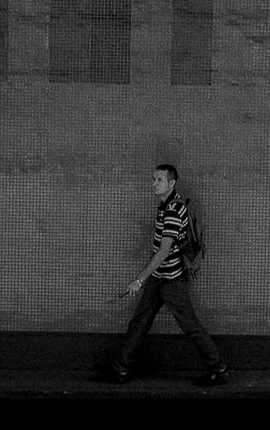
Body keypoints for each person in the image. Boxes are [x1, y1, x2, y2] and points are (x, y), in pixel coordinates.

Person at [108, 164, 228, 387]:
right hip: (160, 277)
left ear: (171, 184)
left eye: (159, 180)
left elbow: (163, 251)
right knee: (140, 322)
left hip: (172, 279)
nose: (154, 184)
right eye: (153, 179)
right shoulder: (165, 205)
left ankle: (218, 368)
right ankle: (120, 368)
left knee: (189, 324)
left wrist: (139, 280)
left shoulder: (173, 210)